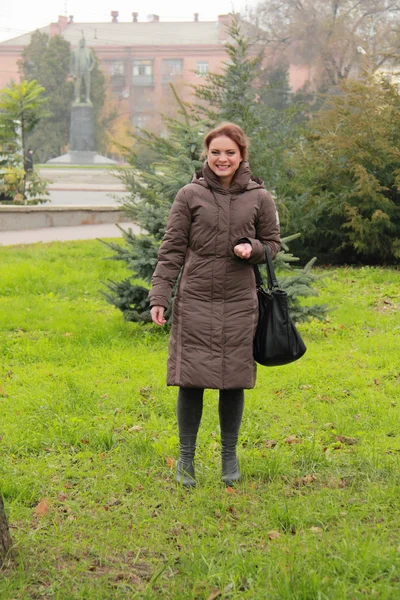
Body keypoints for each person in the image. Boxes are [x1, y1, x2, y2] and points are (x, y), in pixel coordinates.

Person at [149, 122, 281, 487]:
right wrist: (160, 295)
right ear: (206, 155)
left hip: (240, 301)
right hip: (195, 300)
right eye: (216, 152)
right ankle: (186, 460)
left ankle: (229, 458)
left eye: (230, 153)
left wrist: (252, 249)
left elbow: (272, 244)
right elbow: (172, 248)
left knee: (232, 380)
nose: (222, 159)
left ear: (242, 156)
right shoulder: (189, 195)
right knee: (191, 381)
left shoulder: (259, 197)